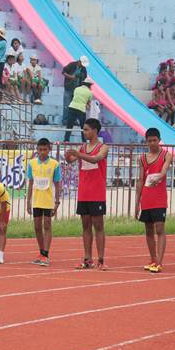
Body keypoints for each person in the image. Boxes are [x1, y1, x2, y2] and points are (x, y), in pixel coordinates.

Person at [65, 118, 109, 270]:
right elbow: (70, 160)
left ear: (95, 130)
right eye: (83, 129)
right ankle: (87, 258)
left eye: (86, 129)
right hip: (84, 192)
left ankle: (101, 260)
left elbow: (96, 159)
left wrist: (78, 154)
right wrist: (68, 155)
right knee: (85, 226)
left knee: (98, 226)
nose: (84, 132)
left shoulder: (103, 147)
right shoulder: (82, 147)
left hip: (97, 193)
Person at [134, 127, 173, 273]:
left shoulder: (166, 155)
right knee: (149, 229)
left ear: (159, 140)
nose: (152, 143)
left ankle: (159, 262)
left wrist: (160, 176)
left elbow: (164, 170)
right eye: (149, 141)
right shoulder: (142, 158)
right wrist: (137, 203)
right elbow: (140, 180)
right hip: (146, 198)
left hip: (159, 198)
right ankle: (153, 259)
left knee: (160, 228)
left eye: (154, 140)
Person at [26, 137, 62, 266]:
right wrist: (28, 201)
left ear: (49, 149)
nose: (42, 152)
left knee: (47, 225)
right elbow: (30, 183)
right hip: (36, 200)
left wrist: (57, 202)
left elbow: (57, 184)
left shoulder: (55, 164)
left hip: (48, 200)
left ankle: (46, 254)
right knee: (37, 227)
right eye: (40, 149)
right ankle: (41, 252)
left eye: (45, 149)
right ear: (37, 150)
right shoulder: (32, 163)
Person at [64, 77, 94, 142]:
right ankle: (84, 141)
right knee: (83, 127)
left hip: (72, 107)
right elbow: (88, 104)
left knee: (69, 125)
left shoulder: (76, 89)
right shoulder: (90, 92)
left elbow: (74, 97)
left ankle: (66, 140)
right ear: (89, 85)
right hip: (81, 109)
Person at [61, 56, 88, 125]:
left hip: (77, 90)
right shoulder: (72, 65)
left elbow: (84, 79)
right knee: (67, 105)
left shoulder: (83, 69)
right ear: (79, 62)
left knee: (75, 106)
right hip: (69, 88)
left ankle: (73, 121)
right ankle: (65, 120)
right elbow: (63, 72)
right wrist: (70, 77)